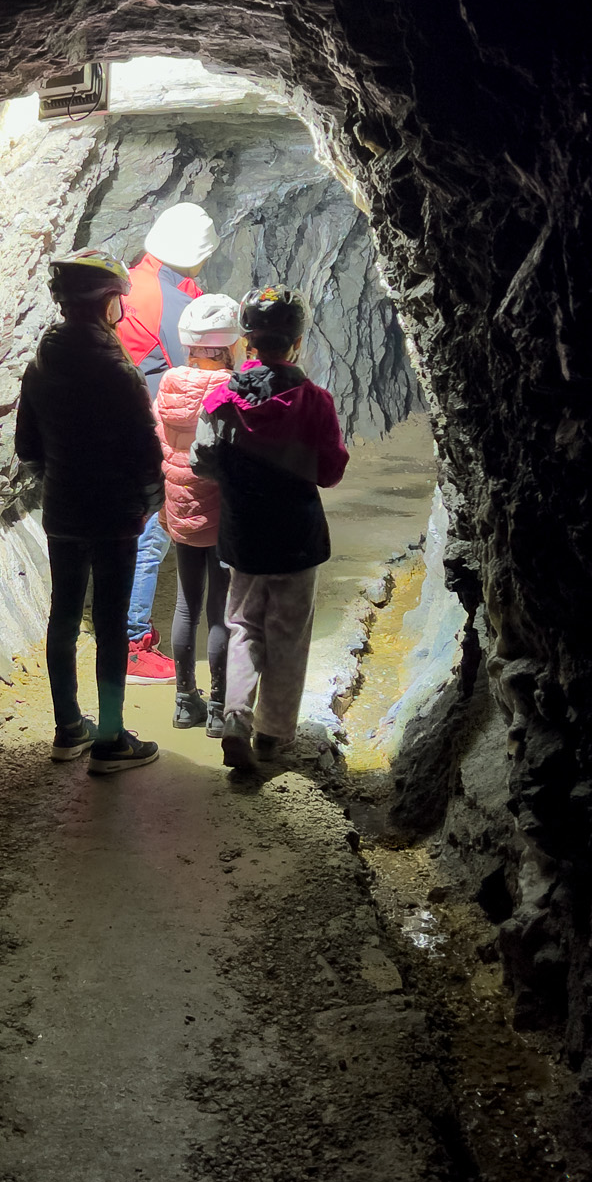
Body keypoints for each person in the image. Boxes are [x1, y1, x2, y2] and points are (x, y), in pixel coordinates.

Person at [13, 249, 161, 775]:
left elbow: (27, 448)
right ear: (107, 303)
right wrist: (149, 503)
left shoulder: (41, 363)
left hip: (63, 511)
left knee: (64, 616)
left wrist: (64, 475)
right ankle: (111, 739)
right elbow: (146, 451)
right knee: (111, 622)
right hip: (114, 514)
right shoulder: (117, 368)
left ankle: (68, 728)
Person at [191, 284, 349, 773]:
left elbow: (201, 462)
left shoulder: (220, 400)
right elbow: (330, 471)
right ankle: (271, 735)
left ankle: (235, 719)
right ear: (296, 341)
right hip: (298, 539)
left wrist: (240, 476)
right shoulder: (315, 401)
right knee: (288, 634)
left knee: (243, 626)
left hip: (244, 536)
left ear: (249, 342)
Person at [115, 201, 220, 682]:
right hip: (155, 435)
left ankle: (129, 634)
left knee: (136, 536)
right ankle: (132, 644)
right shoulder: (169, 300)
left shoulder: (132, 281)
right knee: (150, 539)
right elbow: (197, 369)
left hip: (122, 430)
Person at [152, 293, 243, 734]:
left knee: (186, 605)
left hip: (181, 512)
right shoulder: (233, 389)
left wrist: (168, 511)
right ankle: (220, 707)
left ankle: (185, 701)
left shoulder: (169, 384)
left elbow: (159, 446)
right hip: (222, 516)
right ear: (228, 345)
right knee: (221, 611)